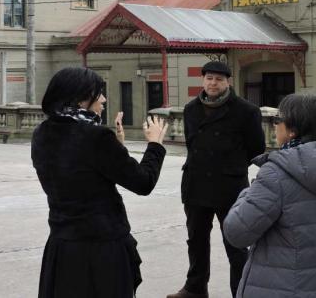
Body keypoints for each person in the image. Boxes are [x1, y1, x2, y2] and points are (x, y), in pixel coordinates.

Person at [32, 67, 168, 298]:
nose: (103, 99)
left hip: (62, 244)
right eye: (98, 93)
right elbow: (143, 182)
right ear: (80, 98)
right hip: (101, 248)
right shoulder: (96, 137)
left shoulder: (42, 133)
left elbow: (81, 172)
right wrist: (155, 145)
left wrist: (117, 147)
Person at [223, 94, 316, 297]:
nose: (274, 125)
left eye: (277, 120)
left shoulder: (276, 173)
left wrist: (248, 192)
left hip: (284, 288)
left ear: (292, 130)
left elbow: (237, 232)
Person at [168, 61, 266, 298]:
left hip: (229, 187)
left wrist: (232, 165)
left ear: (228, 82)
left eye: (219, 79)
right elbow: (192, 145)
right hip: (196, 185)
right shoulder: (191, 109)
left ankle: (241, 291)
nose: (213, 83)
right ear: (203, 80)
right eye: (209, 78)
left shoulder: (246, 111)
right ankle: (195, 287)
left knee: (236, 244)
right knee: (196, 241)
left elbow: (257, 149)